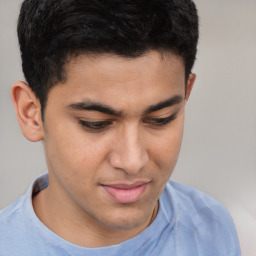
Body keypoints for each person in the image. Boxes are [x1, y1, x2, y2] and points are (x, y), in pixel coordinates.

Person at [0, 0, 241, 255]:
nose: (133, 161)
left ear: (185, 94)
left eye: (161, 118)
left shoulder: (212, 229)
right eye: (96, 124)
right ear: (31, 113)